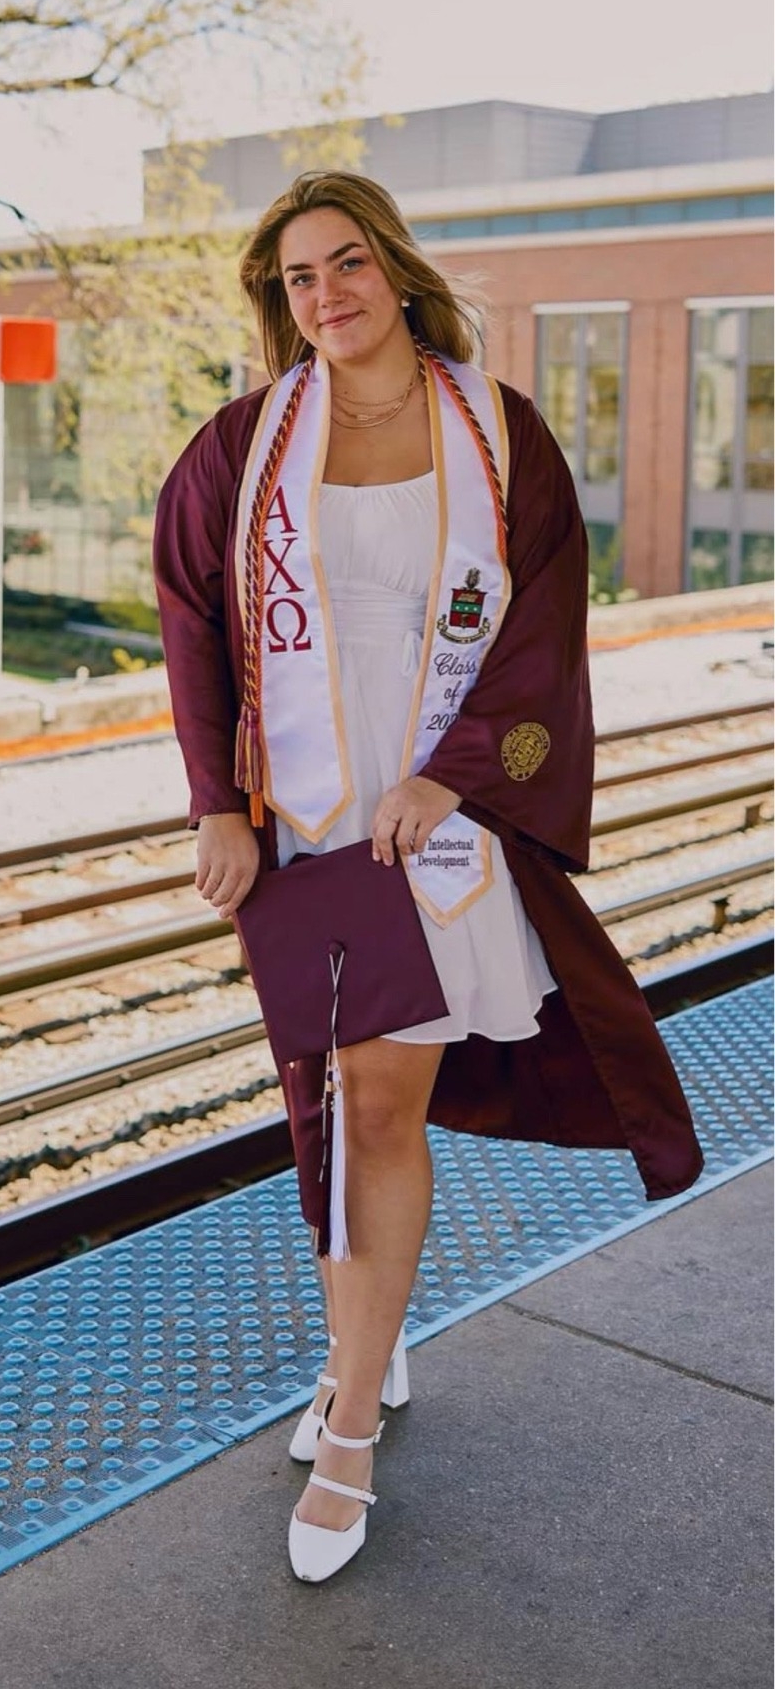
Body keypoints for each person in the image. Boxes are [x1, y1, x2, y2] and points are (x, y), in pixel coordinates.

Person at [153, 171, 703, 1585]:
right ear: (281, 302)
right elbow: (195, 622)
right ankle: (369, 1343)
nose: (325, 294)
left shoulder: (498, 433)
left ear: (394, 269)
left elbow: (545, 622)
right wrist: (216, 805)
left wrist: (455, 774)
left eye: (346, 263)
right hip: (306, 815)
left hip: (439, 817)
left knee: (380, 1099)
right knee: (332, 1102)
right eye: (298, 278)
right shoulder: (244, 446)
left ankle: (347, 1425)